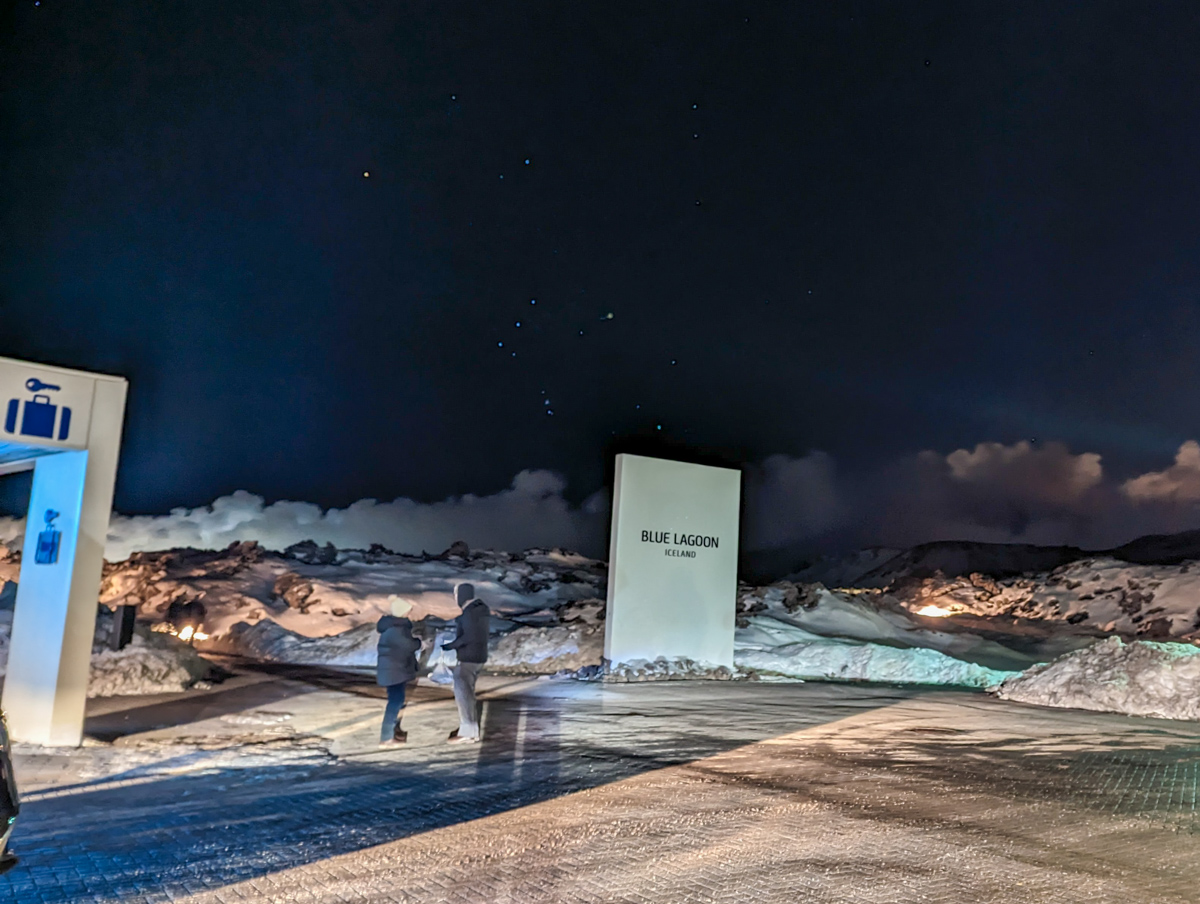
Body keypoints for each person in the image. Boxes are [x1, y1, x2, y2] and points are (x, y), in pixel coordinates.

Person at [442, 582, 490, 743]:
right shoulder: (478, 610)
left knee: (463, 692)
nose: (455, 598)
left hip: (469, 657)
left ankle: (468, 731)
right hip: (476, 655)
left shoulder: (471, 612)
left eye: (456, 595)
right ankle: (469, 728)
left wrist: (451, 645)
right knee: (467, 691)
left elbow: (469, 636)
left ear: (462, 595)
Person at [376, 597, 421, 747]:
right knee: (395, 702)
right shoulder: (397, 629)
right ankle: (386, 737)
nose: (409, 614)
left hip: (394, 669)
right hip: (394, 670)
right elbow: (408, 645)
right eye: (407, 611)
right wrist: (421, 642)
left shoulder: (393, 626)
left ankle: (393, 732)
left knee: (397, 700)